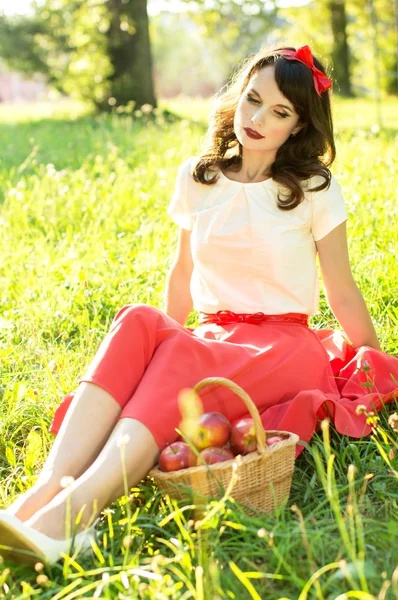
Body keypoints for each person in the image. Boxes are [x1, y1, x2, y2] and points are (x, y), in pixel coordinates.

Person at [1, 43, 397, 565]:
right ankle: (41, 495)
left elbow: (341, 289)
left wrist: (372, 364)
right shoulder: (199, 176)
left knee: (182, 356)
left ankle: (72, 514)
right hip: (216, 335)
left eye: (278, 112)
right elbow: (182, 272)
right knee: (140, 321)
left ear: (298, 126)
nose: (256, 119)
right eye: (252, 100)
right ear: (238, 97)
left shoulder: (313, 189)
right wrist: (163, 340)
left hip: (284, 345)